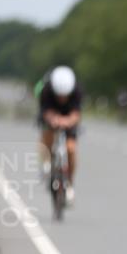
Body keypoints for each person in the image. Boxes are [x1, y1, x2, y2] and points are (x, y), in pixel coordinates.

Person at [38, 66, 82, 205]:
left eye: (65, 95)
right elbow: (45, 111)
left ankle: (69, 182)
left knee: (71, 149)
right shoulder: (46, 90)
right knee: (47, 135)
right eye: (59, 95)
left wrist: (68, 121)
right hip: (51, 115)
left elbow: (76, 114)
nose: (62, 98)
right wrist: (53, 119)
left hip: (68, 117)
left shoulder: (77, 91)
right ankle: (46, 163)